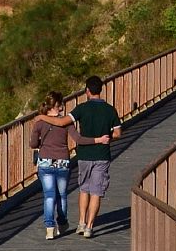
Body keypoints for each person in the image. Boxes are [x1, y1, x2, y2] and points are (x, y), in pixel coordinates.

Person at [71, 75, 121, 238]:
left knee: (84, 189)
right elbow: (118, 133)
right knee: (96, 192)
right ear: (100, 90)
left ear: (87, 91)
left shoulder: (82, 108)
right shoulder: (110, 109)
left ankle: (81, 222)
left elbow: (67, 120)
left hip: (84, 154)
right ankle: (90, 227)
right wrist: (107, 137)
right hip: (102, 155)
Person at [28, 91, 75, 239]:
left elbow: (33, 144)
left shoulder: (39, 122)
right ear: (58, 105)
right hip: (62, 162)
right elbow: (77, 137)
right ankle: (62, 224)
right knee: (61, 196)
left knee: (49, 196)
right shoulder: (66, 121)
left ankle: (49, 228)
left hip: (45, 161)